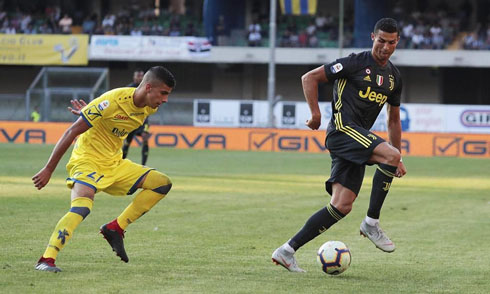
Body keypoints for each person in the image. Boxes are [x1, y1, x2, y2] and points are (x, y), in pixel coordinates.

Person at [272, 18, 407, 272]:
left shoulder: (394, 77)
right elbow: (309, 78)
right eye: (381, 41)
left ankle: (287, 251)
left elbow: (394, 119)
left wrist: (397, 157)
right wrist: (315, 114)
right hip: (343, 131)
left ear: (397, 42)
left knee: (342, 205)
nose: (386, 47)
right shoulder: (355, 62)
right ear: (372, 38)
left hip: (358, 139)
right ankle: (371, 222)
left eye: (391, 42)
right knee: (389, 154)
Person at [32, 66, 176, 273]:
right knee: (82, 207)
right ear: (148, 87)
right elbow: (72, 131)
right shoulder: (112, 101)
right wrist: (48, 169)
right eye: (163, 93)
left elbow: (114, 124)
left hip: (114, 163)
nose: (165, 100)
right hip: (87, 160)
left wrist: (91, 112)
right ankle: (46, 259)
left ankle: (115, 228)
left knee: (161, 183)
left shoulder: (149, 107)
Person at [122, 69, 151, 165]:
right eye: (138, 76)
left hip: (143, 119)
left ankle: (144, 165)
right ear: (134, 77)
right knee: (127, 142)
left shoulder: (147, 88)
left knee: (145, 138)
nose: (140, 78)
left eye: (141, 76)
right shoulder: (128, 88)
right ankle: (120, 162)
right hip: (131, 119)